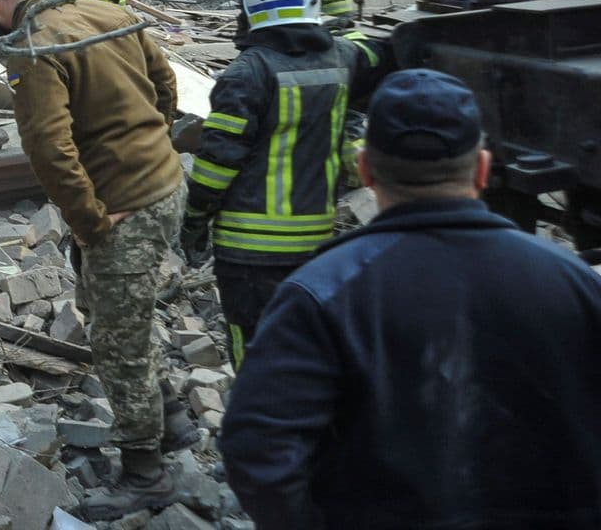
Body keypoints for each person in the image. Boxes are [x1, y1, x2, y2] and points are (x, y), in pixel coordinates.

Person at [221, 69, 601, 528]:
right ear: (482, 168)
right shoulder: (572, 280)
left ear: (364, 170)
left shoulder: (320, 293)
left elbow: (258, 449)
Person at [0, 0, 186, 519]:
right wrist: (150, 147)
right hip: (165, 187)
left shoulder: (33, 47)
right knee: (107, 306)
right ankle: (171, 413)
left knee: (118, 341)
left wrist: (89, 221)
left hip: (124, 209)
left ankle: (146, 471)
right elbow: (165, 86)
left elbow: (50, 151)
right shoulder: (107, 11)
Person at [180, 0, 393, 366]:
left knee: (255, 356)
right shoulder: (341, 59)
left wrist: (194, 221)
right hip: (314, 242)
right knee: (309, 350)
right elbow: (380, 52)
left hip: (247, 252)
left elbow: (216, 165)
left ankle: (257, 424)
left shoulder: (247, 73)